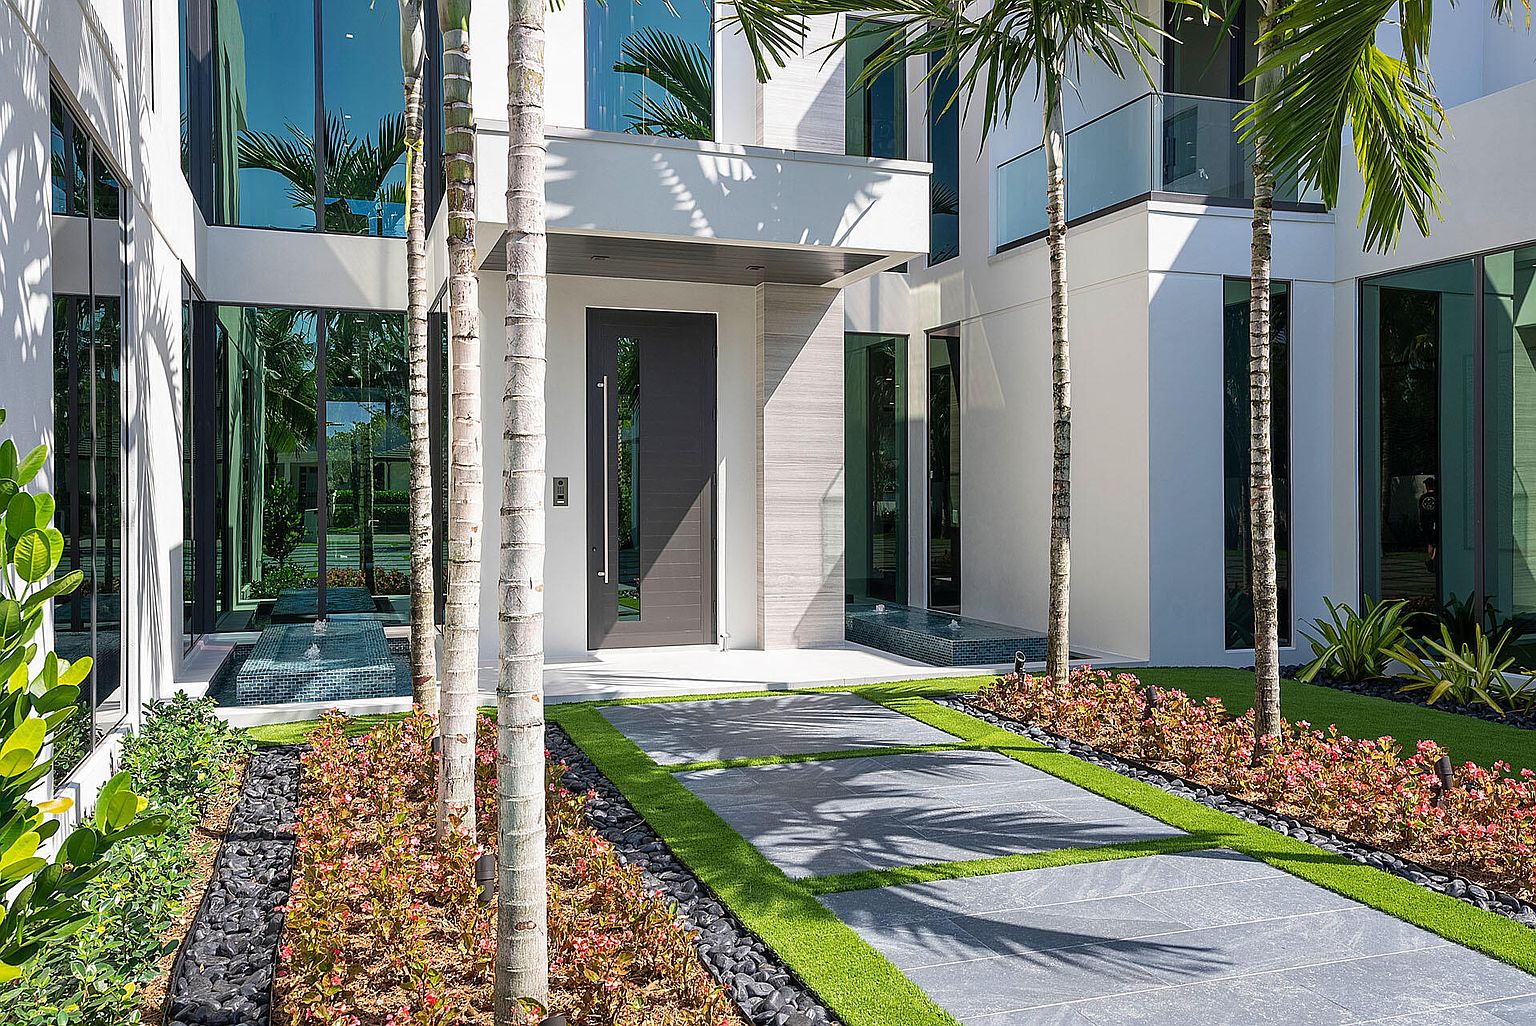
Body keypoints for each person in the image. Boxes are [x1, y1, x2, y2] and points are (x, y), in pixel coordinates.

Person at [1419, 476, 1439, 575]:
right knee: (1436, 543)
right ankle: (1433, 561)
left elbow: (1421, 512)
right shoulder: (1437, 496)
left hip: (1425, 524)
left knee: (1430, 543)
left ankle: (1432, 559)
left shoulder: (1423, 498)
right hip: (1434, 523)